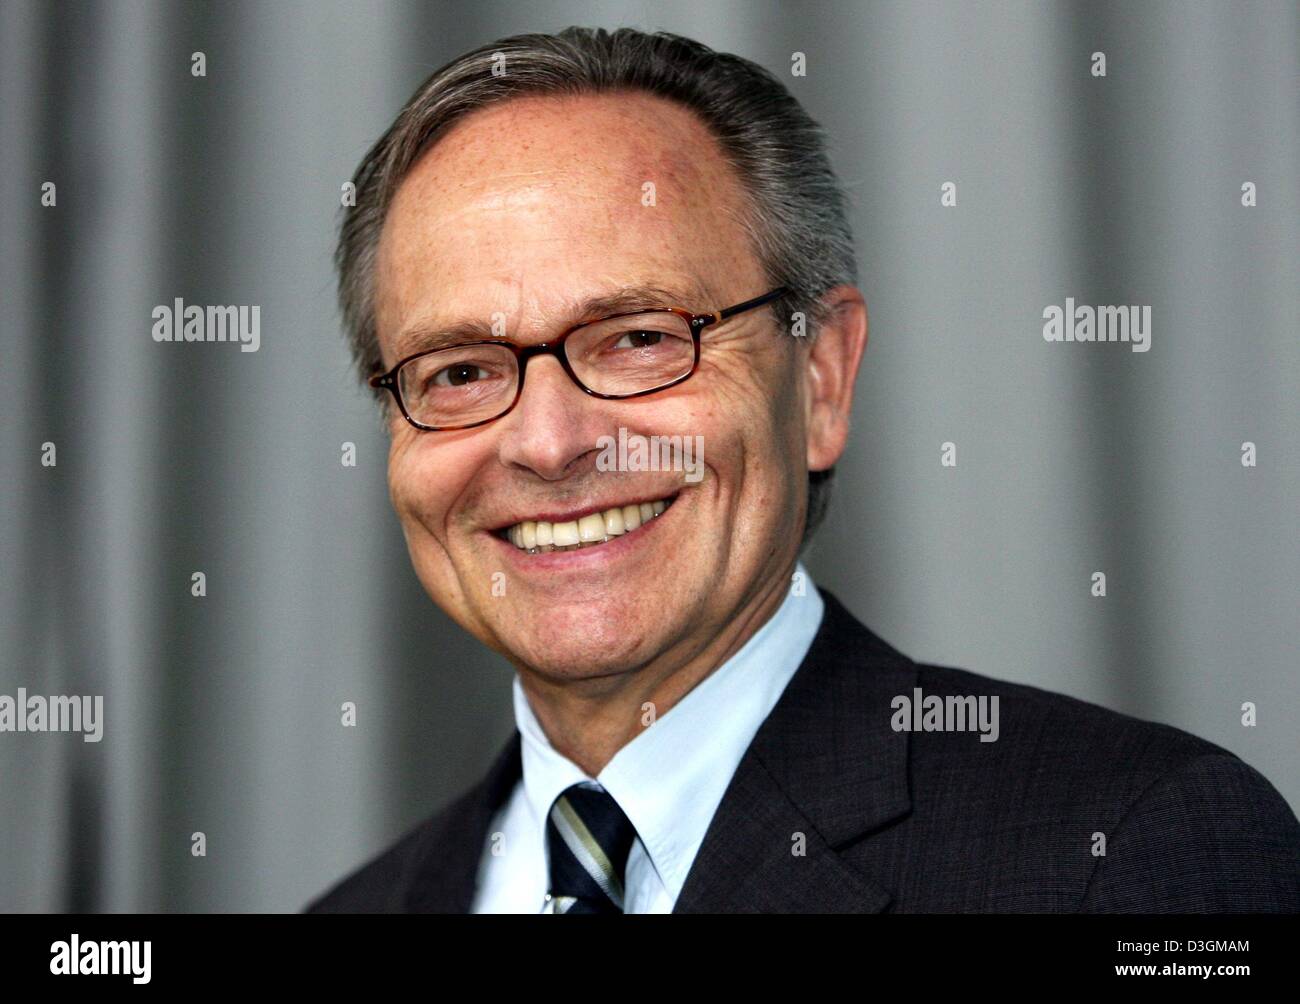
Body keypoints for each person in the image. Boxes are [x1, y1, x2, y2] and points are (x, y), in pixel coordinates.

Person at [307, 27, 1300, 913]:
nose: (550, 440)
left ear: (820, 377)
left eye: (640, 338)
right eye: (462, 371)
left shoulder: (1131, 852)